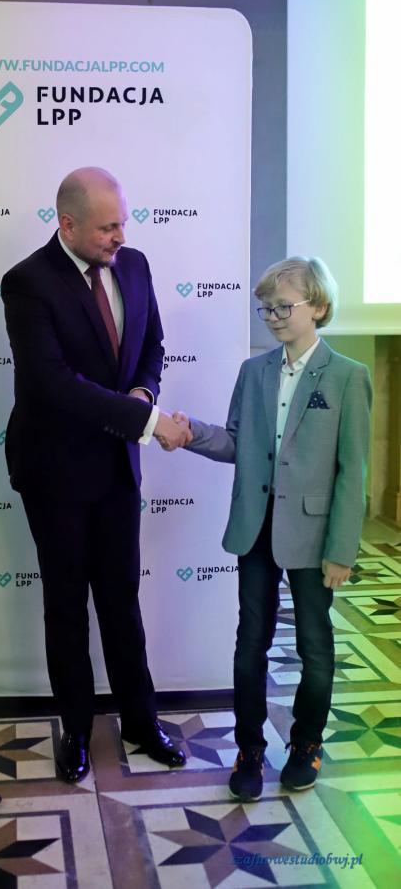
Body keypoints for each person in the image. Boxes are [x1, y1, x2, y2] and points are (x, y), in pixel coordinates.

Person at [1, 167, 190, 782]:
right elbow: (52, 383)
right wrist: (146, 420)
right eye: (108, 227)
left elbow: (153, 345)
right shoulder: (26, 282)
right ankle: (77, 731)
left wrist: (143, 391)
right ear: (68, 224)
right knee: (66, 607)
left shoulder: (134, 265)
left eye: (122, 223)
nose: (120, 236)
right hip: (54, 471)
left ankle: (141, 721)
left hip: (116, 469)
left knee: (121, 601)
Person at [170, 256, 371, 800]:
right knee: (249, 643)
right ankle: (250, 749)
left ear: (318, 307)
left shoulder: (348, 376)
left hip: (313, 535)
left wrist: (342, 549)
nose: (274, 317)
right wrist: (191, 433)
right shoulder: (253, 372)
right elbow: (237, 442)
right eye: (266, 309)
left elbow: (353, 470)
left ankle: (306, 744)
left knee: (314, 645)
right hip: (255, 528)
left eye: (284, 307)